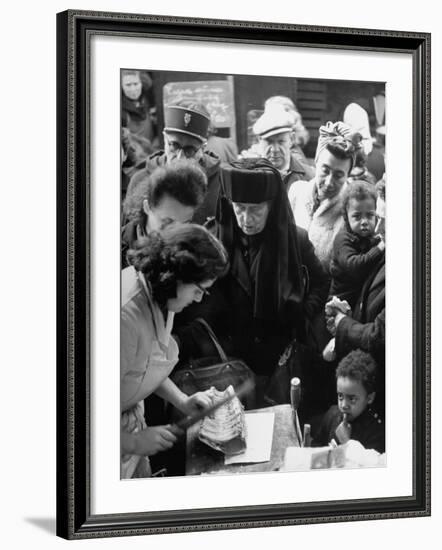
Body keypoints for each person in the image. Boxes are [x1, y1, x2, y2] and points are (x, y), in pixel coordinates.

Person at [175, 158, 329, 404]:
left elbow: (321, 282)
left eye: (256, 210)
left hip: (277, 361)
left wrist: (303, 312)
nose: (247, 219)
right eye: (240, 208)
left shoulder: (295, 242)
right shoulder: (213, 242)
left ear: (272, 206)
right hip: (227, 363)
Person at [121, 223, 229, 478]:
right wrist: (131, 442)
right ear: (176, 276)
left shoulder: (160, 297)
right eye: (197, 290)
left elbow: (144, 366)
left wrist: (183, 400)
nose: (199, 299)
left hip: (131, 425)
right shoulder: (124, 317)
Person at [126, 100, 222, 225]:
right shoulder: (140, 179)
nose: (180, 157)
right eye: (174, 145)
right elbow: (127, 236)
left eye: (190, 150)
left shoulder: (221, 182)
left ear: (203, 148)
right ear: (165, 139)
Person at [288, 121, 362, 272]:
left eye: (338, 175)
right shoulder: (296, 192)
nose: (329, 182)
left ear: (348, 175)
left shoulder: (351, 212)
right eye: (325, 170)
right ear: (316, 162)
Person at [121, 161, 208, 266]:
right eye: (167, 222)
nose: (177, 234)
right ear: (147, 207)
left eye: (185, 224)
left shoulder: (196, 254)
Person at [312, 349, 385, 454]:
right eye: (340, 396)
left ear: (369, 398)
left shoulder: (377, 433)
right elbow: (317, 445)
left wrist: (346, 442)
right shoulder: (332, 414)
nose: (344, 405)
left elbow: (366, 466)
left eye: (352, 399)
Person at [329, 180, 385, 308]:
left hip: (361, 298)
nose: (364, 221)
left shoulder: (375, 235)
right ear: (346, 217)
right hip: (340, 300)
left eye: (370, 215)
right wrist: (379, 248)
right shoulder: (342, 239)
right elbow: (354, 266)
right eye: (357, 216)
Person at [252, 104, 315, 194]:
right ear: (259, 141)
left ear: (292, 139)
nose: (274, 149)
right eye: (269, 142)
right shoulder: (248, 175)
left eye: (281, 142)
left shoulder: (309, 177)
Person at [121, 69, 157, 147]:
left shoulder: (147, 99)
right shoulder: (121, 111)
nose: (133, 89)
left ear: (141, 84)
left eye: (136, 84)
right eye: (128, 85)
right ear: (122, 87)